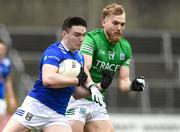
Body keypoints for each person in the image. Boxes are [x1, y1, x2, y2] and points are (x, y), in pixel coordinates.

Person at [3, 16, 103, 132]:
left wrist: (100, 86)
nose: (81, 39)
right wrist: (76, 81)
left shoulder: (79, 57)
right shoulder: (54, 51)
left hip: (57, 114)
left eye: (84, 35)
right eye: (77, 35)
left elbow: (76, 93)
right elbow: (48, 79)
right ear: (64, 34)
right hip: (37, 106)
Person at [66, 3, 145, 132]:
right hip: (76, 98)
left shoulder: (125, 48)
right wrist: (95, 86)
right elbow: (84, 67)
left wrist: (133, 86)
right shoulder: (91, 39)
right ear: (104, 22)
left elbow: (123, 82)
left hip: (96, 102)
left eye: (122, 24)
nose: (119, 28)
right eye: (115, 23)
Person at [0, 39, 17, 129]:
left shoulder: (6, 63)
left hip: (1, 97)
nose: (1, 52)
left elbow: (7, 81)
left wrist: (11, 98)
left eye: (3, 49)